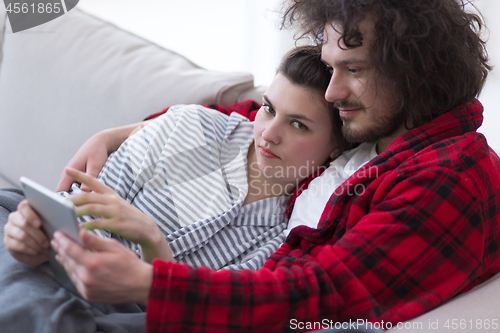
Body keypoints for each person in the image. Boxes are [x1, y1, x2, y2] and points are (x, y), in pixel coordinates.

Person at [43, 0, 500, 332]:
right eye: (331, 68)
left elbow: (321, 297)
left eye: (354, 70)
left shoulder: (448, 178)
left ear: (414, 73)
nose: (334, 92)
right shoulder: (376, 133)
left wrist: (152, 283)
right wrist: (120, 134)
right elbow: (257, 119)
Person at [5, 45, 352, 274]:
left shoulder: (287, 234)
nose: (269, 133)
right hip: (52, 259)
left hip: (115, 309)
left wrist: (153, 244)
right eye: (269, 108)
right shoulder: (192, 126)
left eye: (297, 124)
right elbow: (79, 206)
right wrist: (33, 232)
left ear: (336, 147)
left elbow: (202, 309)